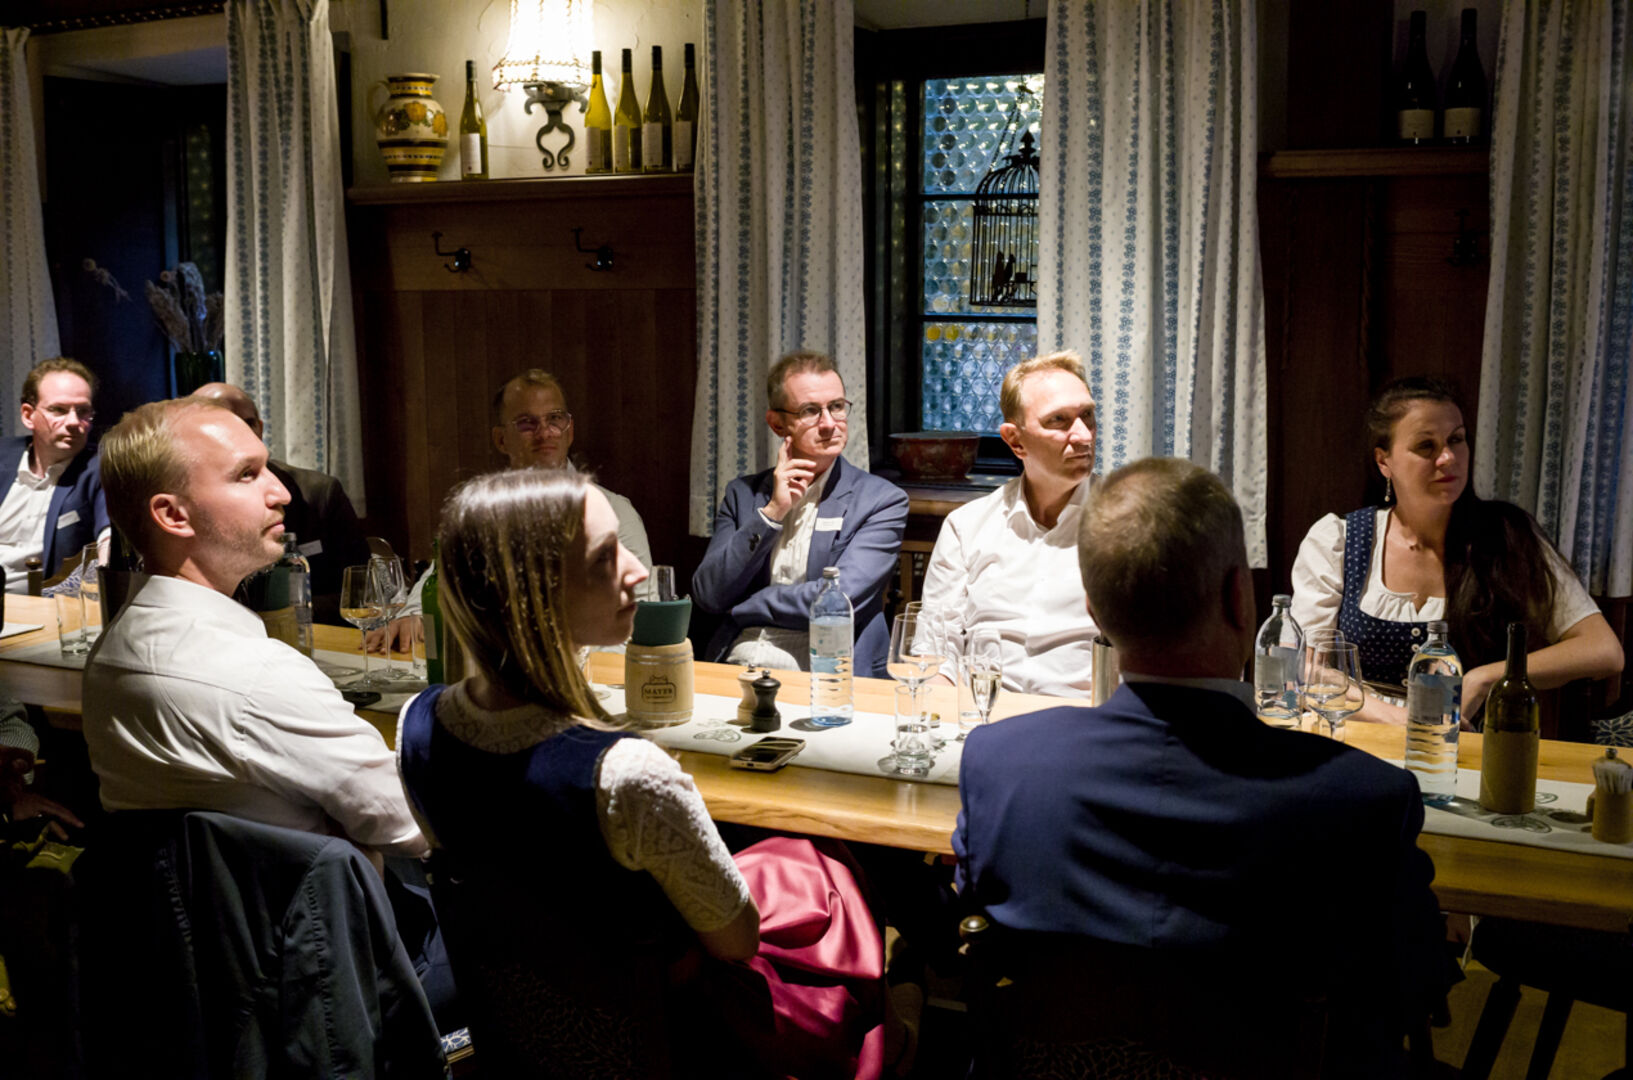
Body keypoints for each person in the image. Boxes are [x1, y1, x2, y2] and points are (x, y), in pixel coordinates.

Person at [955, 457, 1447, 1077]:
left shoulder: (998, 763)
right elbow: (1415, 990)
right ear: (1240, 598)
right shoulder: (1367, 798)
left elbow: (975, 923)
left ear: (1094, 611)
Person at [395, 469, 886, 1077]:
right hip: (666, 1045)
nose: (636, 570)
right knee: (826, 875)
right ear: (537, 592)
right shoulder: (626, 774)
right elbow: (737, 942)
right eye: (607, 556)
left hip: (515, 1043)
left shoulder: (418, 727)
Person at [81, 395, 426, 858]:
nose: (281, 492)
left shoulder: (108, 653)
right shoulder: (257, 675)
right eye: (247, 474)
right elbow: (410, 822)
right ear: (173, 515)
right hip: (305, 906)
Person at [1291, 376, 1623, 725]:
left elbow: (1604, 650)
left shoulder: (1506, 536)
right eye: (1426, 446)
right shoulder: (1340, 540)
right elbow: (1305, 670)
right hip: (1360, 736)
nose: (1448, 457)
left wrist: (1483, 679)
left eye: (1456, 439)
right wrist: (1404, 721)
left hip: (1469, 746)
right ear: (1384, 461)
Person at [379, 368, 653, 652]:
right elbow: (441, 580)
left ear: (569, 431)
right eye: (527, 423)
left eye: (554, 419)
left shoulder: (616, 513)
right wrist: (412, 616)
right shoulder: (479, 514)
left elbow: (641, 620)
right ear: (501, 440)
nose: (544, 433)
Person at [692, 350, 908, 676]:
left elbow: (840, 601)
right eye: (810, 411)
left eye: (837, 407)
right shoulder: (743, 494)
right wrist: (773, 512)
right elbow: (709, 593)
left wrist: (751, 604)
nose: (829, 424)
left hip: (831, 669)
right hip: (740, 659)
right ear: (778, 424)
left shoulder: (880, 501)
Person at [920, 351, 1098, 696]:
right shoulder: (967, 527)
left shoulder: (1126, 523)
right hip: (983, 711)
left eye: (1087, 415)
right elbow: (936, 652)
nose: (1083, 436)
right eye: (1059, 420)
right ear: (1015, 441)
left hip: (1085, 714)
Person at [192, 381, 371, 623]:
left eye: (248, 423)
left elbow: (362, 591)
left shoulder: (318, 493)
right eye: (225, 424)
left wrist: (286, 614)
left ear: (260, 428)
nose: (241, 433)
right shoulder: (192, 502)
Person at [1, 358, 108, 591]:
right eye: (58, 410)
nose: (73, 422)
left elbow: (108, 536)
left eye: (83, 411)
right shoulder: (3, 457)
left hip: (38, 605)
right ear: (28, 415)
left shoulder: (98, 468)